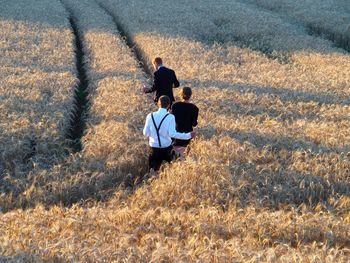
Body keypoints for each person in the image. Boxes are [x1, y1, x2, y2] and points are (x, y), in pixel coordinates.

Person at [143, 95, 196, 171]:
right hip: (166, 149)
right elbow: (172, 134)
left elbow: (145, 133)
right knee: (175, 167)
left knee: (153, 172)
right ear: (169, 105)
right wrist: (188, 135)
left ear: (158, 103)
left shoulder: (150, 116)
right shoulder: (170, 117)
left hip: (153, 149)